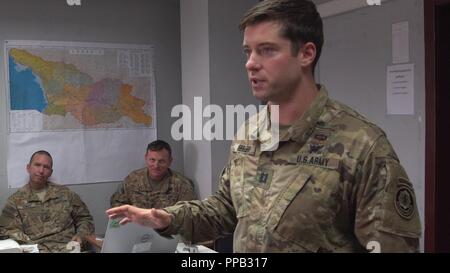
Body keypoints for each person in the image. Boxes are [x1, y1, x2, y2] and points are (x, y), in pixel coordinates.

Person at [107, 0, 421, 253]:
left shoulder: (362, 146)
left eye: (267, 50)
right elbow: (226, 210)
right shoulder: (249, 134)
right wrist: (166, 218)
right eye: (248, 51)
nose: (250, 63)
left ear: (306, 54)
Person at [0, 150, 96, 253]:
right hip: (36, 249)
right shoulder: (15, 201)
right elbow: (7, 230)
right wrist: (30, 245)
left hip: (70, 248)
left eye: (46, 167)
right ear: (28, 168)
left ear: (50, 172)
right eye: (37, 165)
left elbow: (84, 218)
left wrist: (81, 236)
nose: (41, 170)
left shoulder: (66, 194)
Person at [110, 140, 196, 209]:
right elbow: (117, 203)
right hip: (137, 227)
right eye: (152, 160)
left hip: (168, 229)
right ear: (146, 158)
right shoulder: (132, 179)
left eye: (161, 161)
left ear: (170, 161)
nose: (156, 165)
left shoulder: (182, 184)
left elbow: (189, 215)